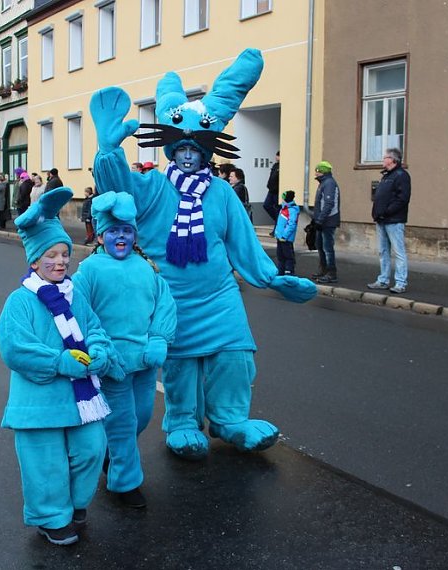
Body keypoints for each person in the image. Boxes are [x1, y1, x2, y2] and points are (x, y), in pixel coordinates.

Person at [89, 49, 317, 460]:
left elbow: (242, 242)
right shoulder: (154, 187)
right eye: (181, 149)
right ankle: (182, 422)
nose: (189, 155)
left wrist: (272, 277)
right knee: (181, 367)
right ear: (171, 150)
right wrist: (108, 151)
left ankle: (231, 421)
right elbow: (116, 189)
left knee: (235, 355)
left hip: (219, 295)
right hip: (172, 298)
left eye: (197, 149)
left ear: (207, 152)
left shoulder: (222, 192)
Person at [0, 187, 120, 546]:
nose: (61, 261)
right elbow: (15, 350)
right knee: (45, 464)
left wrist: (98, 351)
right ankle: (52, 517)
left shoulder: (74, 294)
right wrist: (59, 362)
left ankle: (76, 505)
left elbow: (95, 329)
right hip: (38, 404)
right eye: (51, 255)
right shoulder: (19, 302)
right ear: (34, 261)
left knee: (91, 449)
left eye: (65, 254)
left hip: (82, 400)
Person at [73, 191, 176, 509]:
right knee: (122, 423)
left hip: (145, 361)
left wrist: (158, 339)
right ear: (100, 235)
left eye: (127, 231)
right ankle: (125, 483)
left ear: (134, 235)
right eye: (114, 231)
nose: (121, 237)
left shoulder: (146, 267)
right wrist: (99, 350)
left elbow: (165, 304)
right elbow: (80, 315)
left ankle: (108, 454)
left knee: (142, 417)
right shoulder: (89, 270)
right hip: (112, 366)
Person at [367, 148, 411, 294]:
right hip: (382, 220)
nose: (382, 160)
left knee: (398, 251)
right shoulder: (386, 176)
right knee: (383, 251)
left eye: (385, 157)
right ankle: (383, 280)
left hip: (394, 220)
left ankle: (400, 282)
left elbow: (402, 199)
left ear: (393, 159)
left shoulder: (401, 176)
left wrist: (386, 212)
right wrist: (377, 213)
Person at [312, 161, 341, 283]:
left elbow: (329, 204)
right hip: (322, 221)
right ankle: (323, 270)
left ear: (321, 171)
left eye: (317, 170)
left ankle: (331, 273)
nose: (315, 172)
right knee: (320, 246)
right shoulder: (323, 183)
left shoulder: (329, 183)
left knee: (327, 247)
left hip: (328, 221)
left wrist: (320, 219)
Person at [274, 191, 299, 275]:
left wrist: (284, 236)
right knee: (280, 256)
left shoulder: (292, 210)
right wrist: (277, 234)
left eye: (283, 199)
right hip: (280, 237)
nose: (282, 200)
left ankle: (289, 271)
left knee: (288, 256)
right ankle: (280, 271)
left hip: (286, 239)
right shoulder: (284, 208)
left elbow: (291, 224)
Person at [263, 150, 280, 226]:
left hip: (277, 191)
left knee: (277, 208)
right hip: (271, 190)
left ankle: (277, 225)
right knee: (266, 205)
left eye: (278, 156)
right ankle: (278, 220)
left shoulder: (282, 166)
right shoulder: (275, 165)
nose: (276, 157)